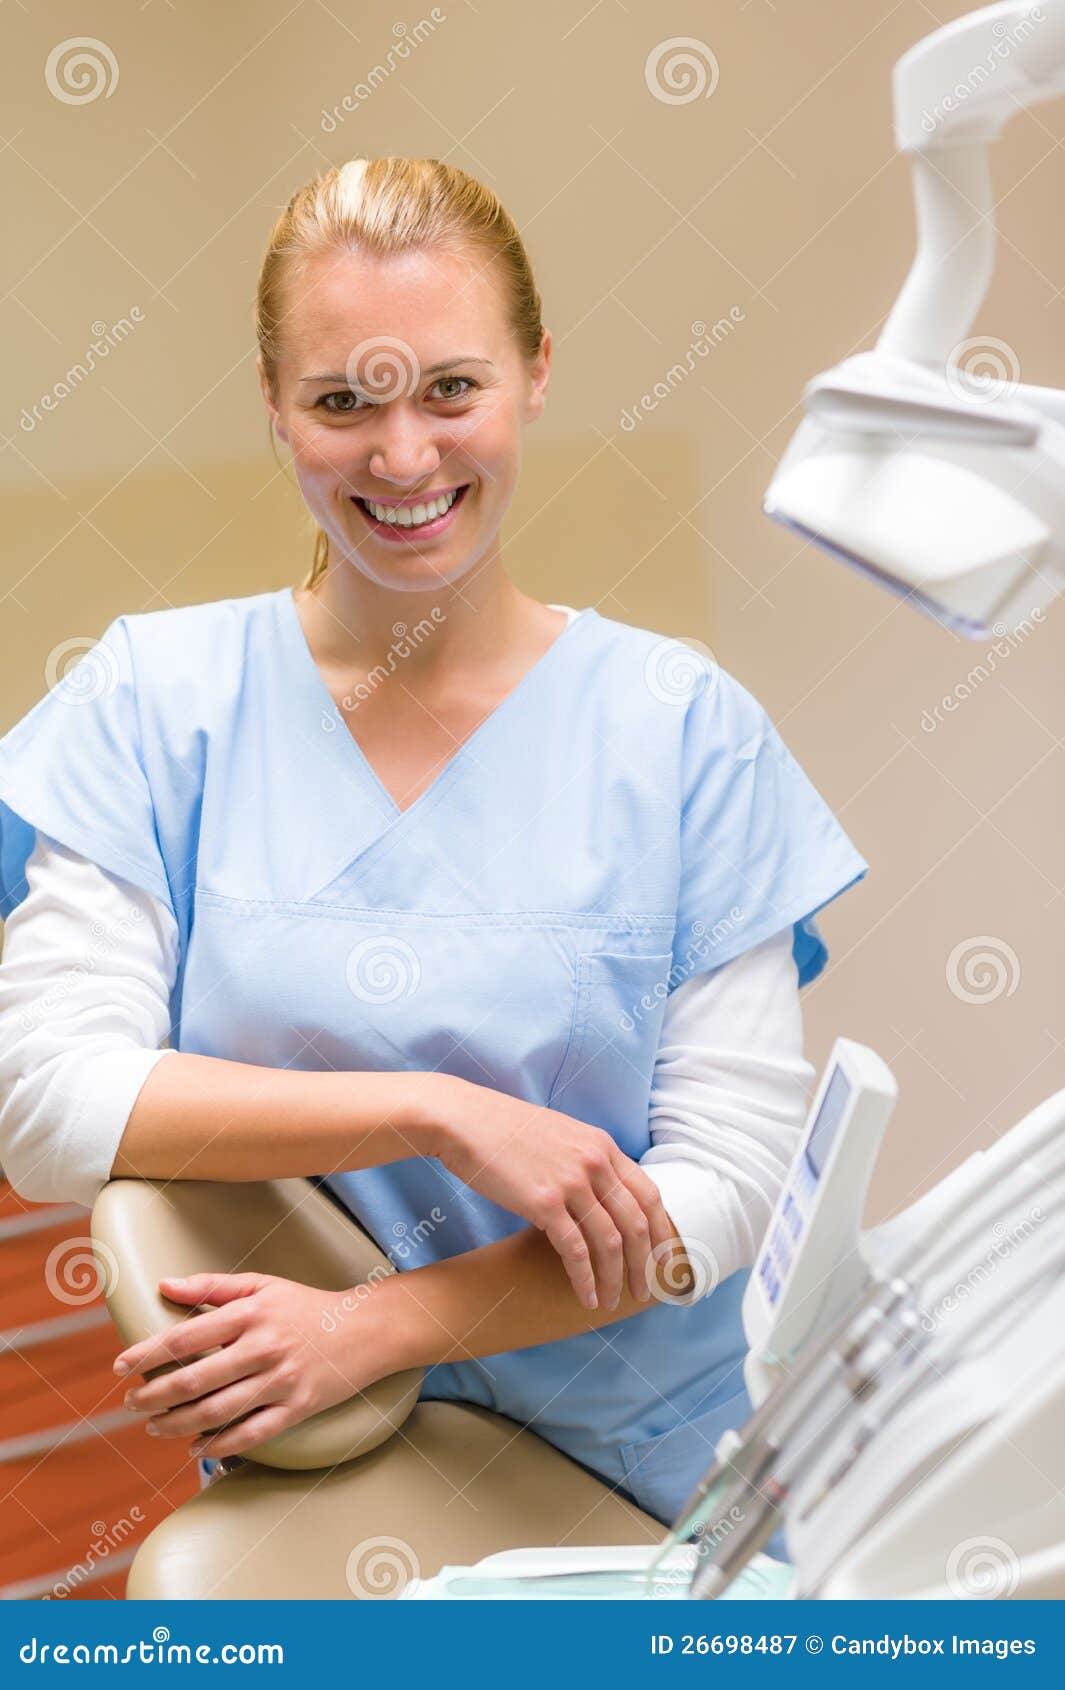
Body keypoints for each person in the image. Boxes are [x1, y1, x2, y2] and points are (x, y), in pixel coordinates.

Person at [0, 156, 866, 1525]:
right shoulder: (151, 707)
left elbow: (728, 1185)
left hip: (681, 1489)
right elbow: (47, 1104)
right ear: (275, 410)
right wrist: (439, 1115)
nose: (403, 458)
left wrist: (385, 1323)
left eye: (449, 390)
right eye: (343, 401)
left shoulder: (681, 727)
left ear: (532, 373)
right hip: (334, 1493)